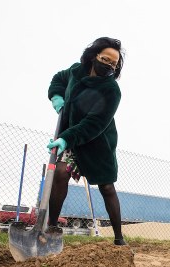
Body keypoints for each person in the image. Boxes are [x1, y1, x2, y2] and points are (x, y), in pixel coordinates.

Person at [46, 37, 127, 245]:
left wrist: (65, 138)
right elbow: (58, 79)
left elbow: (93, 124)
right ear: (94, 56)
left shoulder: (111, 90)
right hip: (71, 138)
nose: (108, 65)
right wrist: (56, 96)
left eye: (113, 64)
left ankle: (119, 238)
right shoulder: (76, 71)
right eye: (105, 59)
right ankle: (50, 229)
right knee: (60, 172)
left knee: (106, 187)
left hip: (98, 144)